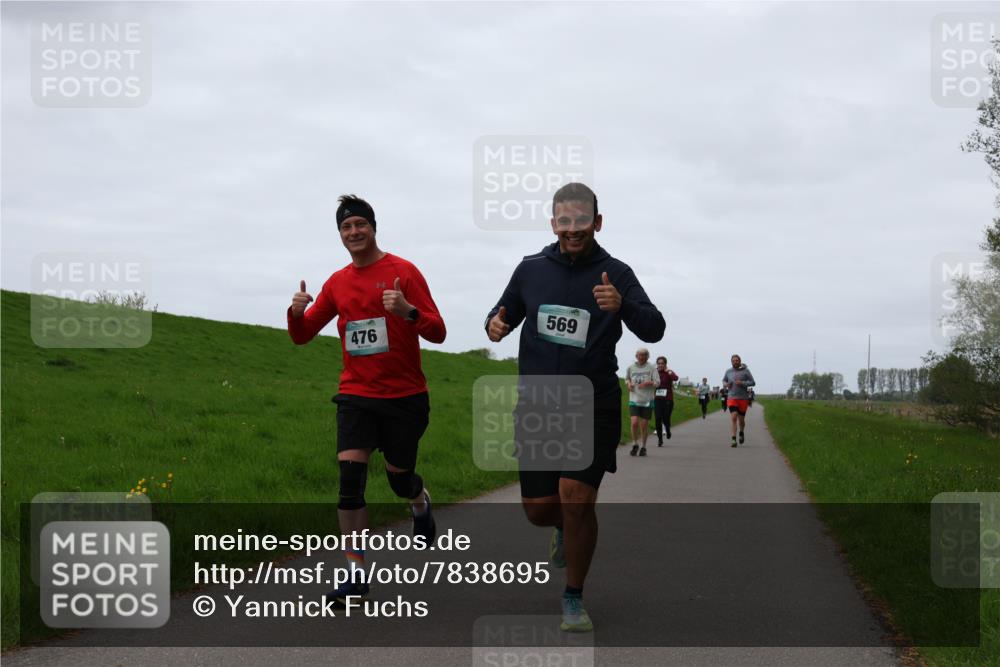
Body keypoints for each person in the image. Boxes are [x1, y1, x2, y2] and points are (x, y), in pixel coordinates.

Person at [485, 182, 664, 632]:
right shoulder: (531, 269)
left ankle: (573, 596)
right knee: (539, 510)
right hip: (539, 404)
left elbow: (655, 327)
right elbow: (502, 312)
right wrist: (496, 324)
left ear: (596, 223)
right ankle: (562, 529)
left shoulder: (616, 273)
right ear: (553, 224)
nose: (572, 229)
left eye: (581, 221)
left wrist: (622, 307)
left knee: (577, 499)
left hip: (593, 403)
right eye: (563, 221)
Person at [287, 194, 447, 605]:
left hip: (405, 397)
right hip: (356, 395)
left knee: (398, 481)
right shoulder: (337, 283)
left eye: (360, 224)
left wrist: (408, 310)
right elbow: (302, 335)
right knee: (349, 486)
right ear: (340, 234)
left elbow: (438, 331)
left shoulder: (403, 271)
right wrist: (295, 311)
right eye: (346, 226)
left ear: (373, 228)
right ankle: (355, 574)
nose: (354, 232)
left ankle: (418, 499)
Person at [626, 349, 658, 455]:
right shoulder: (631, 368)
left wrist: (649, 383)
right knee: (634, 423)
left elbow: (657, 383)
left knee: (644, 425)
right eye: (640, 355)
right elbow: (627, 379)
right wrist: (629, 384)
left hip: (647, 400)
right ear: (636, 356)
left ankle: (643, 447)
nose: (642, 357)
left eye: (644, 355)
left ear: (648, 356)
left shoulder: (652, 368)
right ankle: (635, 444)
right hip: (634, 399)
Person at [722, 354, 756, 447]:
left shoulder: (746, 371)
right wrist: (725, 384)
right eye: (733, 360)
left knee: (741, 420)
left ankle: (741, 432)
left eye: (737, 360)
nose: (735, 362)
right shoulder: (728, 371)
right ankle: (733, 439)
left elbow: (753, 382)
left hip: (743, 398)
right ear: (731, 362)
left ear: (740, 361)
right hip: (732, 397)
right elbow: (724, 380)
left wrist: (742, 383)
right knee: (734, 417)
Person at [652, 356, 679, 445]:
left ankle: (667, 429)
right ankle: (660, 439)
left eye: (662, 363)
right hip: (657, 399)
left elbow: (675, 378)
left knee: (666, 418)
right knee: (658, 418)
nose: (660, 365)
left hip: (668, 399)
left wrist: (669, 371)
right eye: (659, 363)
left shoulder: (668, 372)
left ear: (665, 364)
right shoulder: (654, 372)